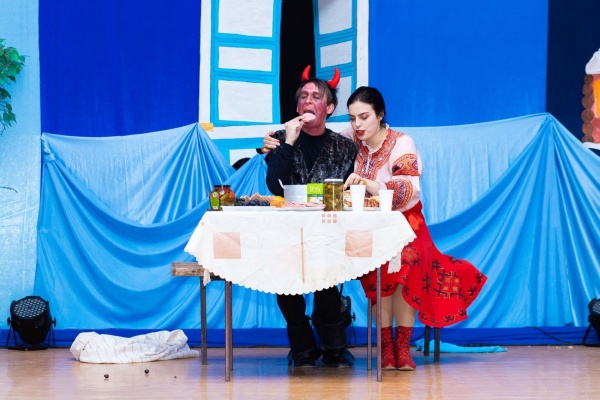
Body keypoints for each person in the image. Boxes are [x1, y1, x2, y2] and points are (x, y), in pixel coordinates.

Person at [264, 86, 488, 371]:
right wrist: (279, 143)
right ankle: (373, 345)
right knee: (356, 270)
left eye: (364, 117)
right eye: (353, 118)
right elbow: (305, 153)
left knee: (402, 262)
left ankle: (399, 346)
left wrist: (369, 184)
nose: (358, 124)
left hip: (403, 222)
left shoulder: (394, 143)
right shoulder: (344, 139)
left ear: (380, 115)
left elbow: (407, 190)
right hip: (355, 226)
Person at [265, 66, 358, 368]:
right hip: (288, 230)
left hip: (328, 231)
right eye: (303, 96)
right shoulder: (280, 139)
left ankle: (335, 348)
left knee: (327, 288)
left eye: (316, 97)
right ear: (297, 107)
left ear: (329, 108)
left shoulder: (345, 147)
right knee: (287, 289)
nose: (307, 100)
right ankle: (302, 348)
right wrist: (288, 143)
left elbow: (348, 193)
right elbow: (274, 185)